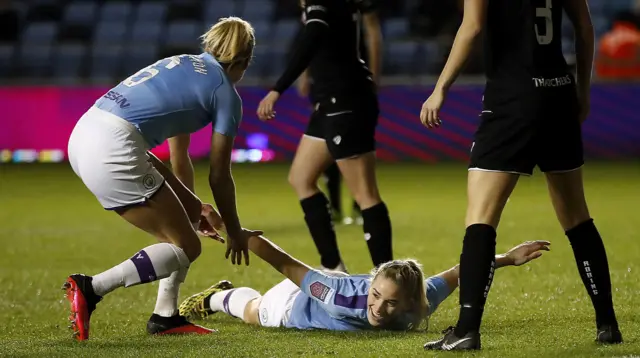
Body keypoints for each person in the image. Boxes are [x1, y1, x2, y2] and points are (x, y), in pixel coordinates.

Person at [419, 0, 622, 350]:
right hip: (559, 96)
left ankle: (467, 328)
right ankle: (607, 323)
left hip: (511, 98)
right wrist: (582, 92)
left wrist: (440, 88)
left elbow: (472, 27)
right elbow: (585, 27)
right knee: (577, 217)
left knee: (481, 218)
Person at [62, 17, 261, 341]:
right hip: (113, 147)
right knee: (187, 246)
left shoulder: (179, 63)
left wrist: (194, 208)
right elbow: (219, 175)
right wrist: (235, 231)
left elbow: (175, 158)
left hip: (85, 132)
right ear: (244, 61)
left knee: (179, 231)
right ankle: (91, 288)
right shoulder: (224, 93)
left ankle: (165, 316)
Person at [257, 0, 390, 273]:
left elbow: (313, 34)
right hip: (332, 102)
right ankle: (332, 265)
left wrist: (278, 88)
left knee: (365, 194)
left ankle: (389, 276)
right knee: (301, 179)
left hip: (346, 100)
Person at [179, 236, 550, 331]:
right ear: (371, 286)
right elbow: (289, 266)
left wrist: (507, 259)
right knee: (252, 312)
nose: (378, 308)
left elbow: (458, 272)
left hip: (329, 281)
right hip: (298, 303)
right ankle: (216, 296)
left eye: (389, 303)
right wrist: (240, 235)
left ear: (407, 303)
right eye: (375, 296)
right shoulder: (342, 300)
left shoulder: (421, 299)